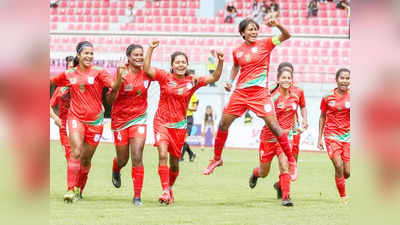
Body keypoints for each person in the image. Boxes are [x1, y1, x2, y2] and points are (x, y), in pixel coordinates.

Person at [202, 18, 297, 181]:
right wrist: (230, 81)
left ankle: (291, 160)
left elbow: (287, 35)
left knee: (274, 126)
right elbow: (236, 66)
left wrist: (277, 25)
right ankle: (217, 159)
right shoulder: (237, 51)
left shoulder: (266, 43)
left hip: (260, 94)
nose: (254, 32)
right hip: (240, 93)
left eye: (255, 29)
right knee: (223, 123)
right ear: (242, 33)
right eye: (250, 29)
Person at [143, 40, 224, 205]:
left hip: (179, 127)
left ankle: (170, 188)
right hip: (161, 123)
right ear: (172, 65)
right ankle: (165, 190)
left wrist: (221, 61)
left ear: (187, 65)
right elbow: (146, 69)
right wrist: (150, 49)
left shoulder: (192, 82)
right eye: (177, 62)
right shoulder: (165, 77)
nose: (180, 65)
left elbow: (214, 77)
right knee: (162, 154)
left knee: (174, 163)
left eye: (183, 62)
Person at [51, 41, 123, 203]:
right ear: (79, 55)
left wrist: (119, 74)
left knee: (86, 159)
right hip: (75, 118)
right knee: (76, 151)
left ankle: (79, 189)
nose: (89, 56)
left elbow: (114, 86)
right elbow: (53, 81)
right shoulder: (69, 74)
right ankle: (70, 189)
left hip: (96, 121)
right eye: (86, 53)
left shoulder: (99, 72)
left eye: (91, 53)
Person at [106, 44, 152, 206]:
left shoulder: (147, 72)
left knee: (137, 155)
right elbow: (110, 101)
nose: (139, 57)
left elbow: (166, 79)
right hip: (120, 121)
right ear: (128, 57)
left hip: (139, 119)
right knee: (123, 159)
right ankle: (116, 167)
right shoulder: (121, 72)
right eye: (136, 55)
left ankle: (137, 196)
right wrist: (118, 78)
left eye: (141, 55)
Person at [248, 68, 299, 207]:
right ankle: (255, 173)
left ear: (292, 80)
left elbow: (292, 115)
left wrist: (294, 129)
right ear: (278, 80)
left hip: (284, 140)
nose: (286, 80)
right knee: (264, 172)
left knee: (284, 166)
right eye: (284, 77)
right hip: (268, 139)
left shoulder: (295, 97)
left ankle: (286, 197)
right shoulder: (272, 97)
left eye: (289, 78)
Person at [317, 68, 350, 204]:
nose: (345, 81)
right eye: (342, 78)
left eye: (347, 78)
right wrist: (319, 138)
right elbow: (322, 117)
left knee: (347, 172)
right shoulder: (327, 97)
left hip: (348, 137)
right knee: (338, 165)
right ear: (336, 79)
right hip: (331, 135)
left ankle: (340, 178)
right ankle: (343, 197)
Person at [277, 62, 308, 162]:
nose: (286, 79)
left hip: (294, 125)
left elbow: (303, 106)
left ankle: (292, 169)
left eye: (290, 74)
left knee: (294, 148)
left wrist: (305, 120)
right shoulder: (273, 90)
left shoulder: (299, 90)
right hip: (276, 125)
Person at [50, 56, 74, 162]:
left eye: (73, 68)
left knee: (81, 158)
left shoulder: (82, 86)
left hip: (80, 125)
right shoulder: (60, 88)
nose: (71, 70)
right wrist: (55, 117)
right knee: (69, 157)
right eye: (69, 68)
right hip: (64, 127)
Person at [180, 93, 199, 162]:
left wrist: (186, 107)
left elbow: (195, 108)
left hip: (188, 119)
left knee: (184, 138)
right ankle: (191, 154)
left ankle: (180, 157)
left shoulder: (194, 96)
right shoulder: (182, 94)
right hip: (181, 118)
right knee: (181, 139)